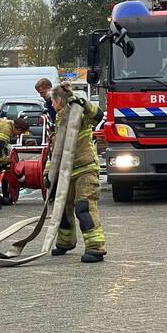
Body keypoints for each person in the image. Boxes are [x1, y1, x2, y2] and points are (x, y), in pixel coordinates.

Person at [48, 83, 106, 263]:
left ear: (58, 100)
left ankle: (95, 248)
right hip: (66, 173)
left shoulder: (78, 114)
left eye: (52, 101)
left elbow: (98, 115)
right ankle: (66, 242)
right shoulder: (59, 120)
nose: (51, 105)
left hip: (85, 170)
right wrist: (48, 175)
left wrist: (84, 103)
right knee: (62, 210)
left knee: (84, 207)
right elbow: (54, 152)